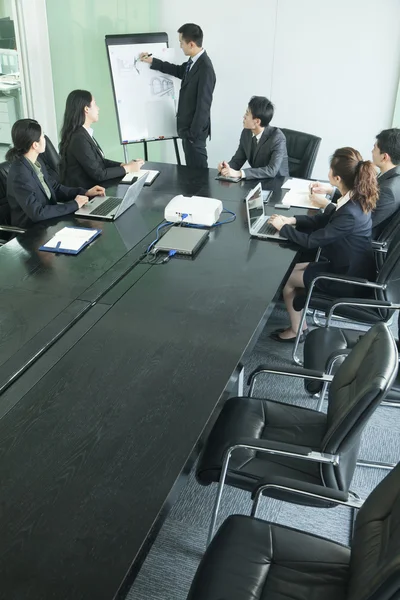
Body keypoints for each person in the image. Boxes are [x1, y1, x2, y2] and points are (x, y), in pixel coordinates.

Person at [268, 147, 378, 342]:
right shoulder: (354, 200)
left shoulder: (350, 213)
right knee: (292, 272)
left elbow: (311, 242)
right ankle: (298, 327)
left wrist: (282, 228)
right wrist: (292, 221)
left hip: (349, 279)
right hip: (347, 267)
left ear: (337, 178)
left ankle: (297, 331)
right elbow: (325, 220)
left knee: (290, 282)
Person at [140, 23, 216, 169]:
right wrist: (152, 61)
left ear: (191, 44)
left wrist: (191, 134)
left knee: (198, 176)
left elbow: (203, 107)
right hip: (188, 132)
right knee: (192, 174)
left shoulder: (205, 69)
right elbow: (179, 71)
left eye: (181, 42)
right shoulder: (193, 62)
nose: (180, 46)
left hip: (194, 135)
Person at [6, 118, 105, 229]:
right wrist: (74, 204)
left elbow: (55, 188)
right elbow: (37, 213)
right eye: (43, 136)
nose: (45, 139)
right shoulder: (20, 175)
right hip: (31, 233)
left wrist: (85, 192)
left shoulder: (37, 162)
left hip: (49, 223)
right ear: (35, 145)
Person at [310, 128, 400, 238]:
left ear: (384, 157)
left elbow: (358, 221)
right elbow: (362, 198)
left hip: (355, 243)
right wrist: (331, 191)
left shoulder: (388, 190)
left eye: (374, 148)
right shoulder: (389, 175)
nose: (372, 151)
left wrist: (326, 204)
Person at [59, 90, 144, 188]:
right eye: (95, 104)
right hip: (87, 194)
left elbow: (100, 161)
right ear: (86, 109)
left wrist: (123, 165)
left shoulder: (84, 133)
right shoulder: (79, 138)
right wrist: (128, 168)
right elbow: (99, 174)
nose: (98, 108)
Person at [218, 96, 289, 180]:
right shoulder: (246, 132)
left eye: (247, 114)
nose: (244, 116)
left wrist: (240, 173)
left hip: (277, 184)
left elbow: (271, 170)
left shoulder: (277, 138)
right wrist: (227, 168)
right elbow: (238, 160)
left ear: (257, 121)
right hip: (256, 182)